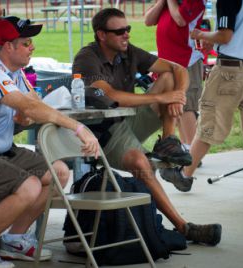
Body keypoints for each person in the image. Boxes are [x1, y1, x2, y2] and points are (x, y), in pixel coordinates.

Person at [0, 16, 99, 268]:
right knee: (30, 186)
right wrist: (79, 128)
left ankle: (14, 238)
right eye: (26, 43)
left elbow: (30, 108)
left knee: (58, 172)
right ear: (7, 47)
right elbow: (29, 107)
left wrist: (27, 112)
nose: (32, 47)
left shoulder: (13, 73)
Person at [72, 8, 221, 246]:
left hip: (128, 120)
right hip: (102, 134)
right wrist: (161, 98)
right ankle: (184, 227)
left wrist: (177, 96)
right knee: (141, 163)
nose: (126, 35)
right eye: (119, 31)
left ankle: (168, 140)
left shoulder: (127, 52)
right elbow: (110, 95)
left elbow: (179, 69)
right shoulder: (86, 58)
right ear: (101, 35)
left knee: (170, 78)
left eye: (128, 29)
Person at [160, 0, 243, 198]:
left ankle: (185, 175)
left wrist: (200, 34)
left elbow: (225, 36)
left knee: (208, 124)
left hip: (229, 70)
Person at [145, 0, 205, 154]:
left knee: (186, 106)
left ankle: (192, 154)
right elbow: (148, 20)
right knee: (173, 107)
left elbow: (180, 20)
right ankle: (185, 147)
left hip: (187, 60)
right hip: (167, 62)